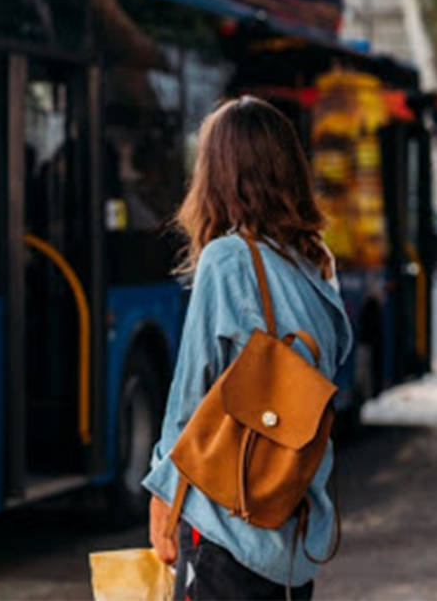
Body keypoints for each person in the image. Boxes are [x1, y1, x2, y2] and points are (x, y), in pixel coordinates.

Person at [143, 97, 352, 600]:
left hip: (227, 526)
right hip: (295, 536)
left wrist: (162, 495)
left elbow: (190, 394)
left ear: (216, 175)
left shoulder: (227, 260)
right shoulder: (316, 266)